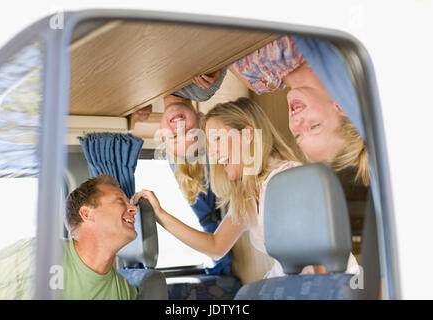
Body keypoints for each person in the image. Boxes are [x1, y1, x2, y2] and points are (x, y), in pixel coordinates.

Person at [134, 97, 359, 278]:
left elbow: (322, 263)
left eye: (217, 140)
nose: (212, 153)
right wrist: (159, 215)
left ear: (248, 134)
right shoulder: (250, 193)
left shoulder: (289, 180)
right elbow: (215, 246)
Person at [173, 35, 369, 186]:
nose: (297, 124)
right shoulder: (314, 45)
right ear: (340, 105)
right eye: (314, 126)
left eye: (299, 136)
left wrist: (217, 66)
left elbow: (224, 50)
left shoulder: (259, 83)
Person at [0, 174, 139, 300]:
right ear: (87, 213)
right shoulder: (37, 256)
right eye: (121, 201)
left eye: (130, 204)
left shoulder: (125, 291)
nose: (133, 209)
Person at [158, 94, 233, 275]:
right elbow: (216, 247)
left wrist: (159, 214)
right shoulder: (205, 86)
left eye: (175, 137)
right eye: (192, 133)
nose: (180, 127)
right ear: (202, 119)